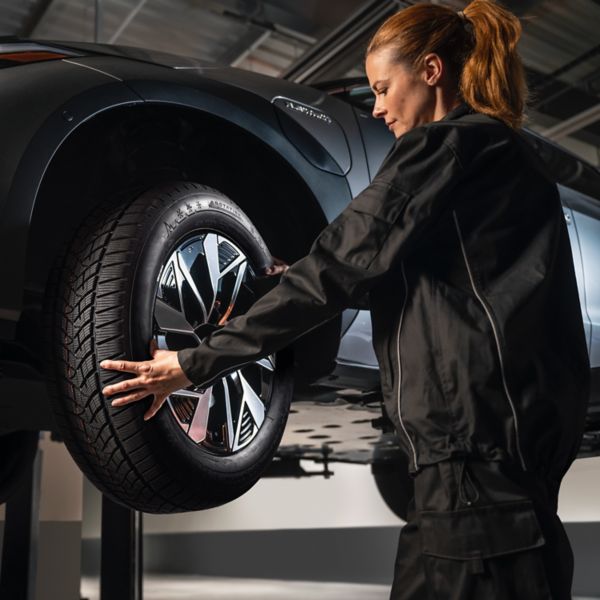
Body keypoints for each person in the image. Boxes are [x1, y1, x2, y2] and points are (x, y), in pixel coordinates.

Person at [100, 0, 591, 597]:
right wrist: (289, 277)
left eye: (384, 88)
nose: (378, 107)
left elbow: (342, 267)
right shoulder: (499, 159)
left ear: (431, 71)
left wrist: (194, 364)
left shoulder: (446, 148)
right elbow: (414, 277)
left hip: (476, 491)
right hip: (476, 487)